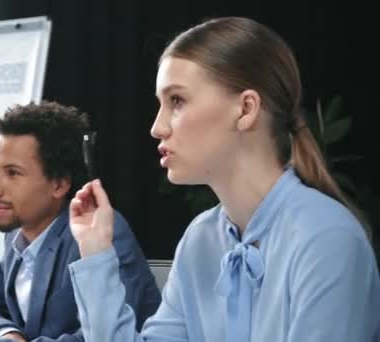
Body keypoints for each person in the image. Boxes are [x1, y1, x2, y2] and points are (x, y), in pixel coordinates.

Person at [67, 16, 380, 342]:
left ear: (245, 109)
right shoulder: (200, 239)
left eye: (176, 101)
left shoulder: (326, 239)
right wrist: (95, 250)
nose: (157, 127)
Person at [0, 101, 161, 342]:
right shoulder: (16, 236)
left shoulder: (100, 231)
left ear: (58, 184)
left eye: (13, 173)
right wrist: (7, 335)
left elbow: (102, 337)